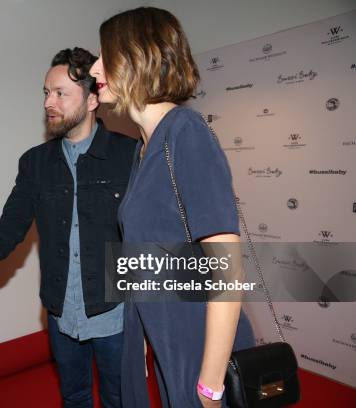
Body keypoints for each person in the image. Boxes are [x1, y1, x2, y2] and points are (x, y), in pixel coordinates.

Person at [90, 7, 255, 408]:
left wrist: (210, 386)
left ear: (136, 58)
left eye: (105, 56)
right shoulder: (144, 147)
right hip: (168, 341)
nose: (95, 67)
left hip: (200, 347)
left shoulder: (186, 132)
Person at [0, 47, 136, 407]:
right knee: (74, 397)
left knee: (122, 400)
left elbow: (147, 236)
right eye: (46, 93)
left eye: (60, 94)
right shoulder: (35, 163)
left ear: (91, 100)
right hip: (60, 313)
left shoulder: (129, 154)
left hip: (116, 312)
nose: (48, 103)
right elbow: (10, 225)